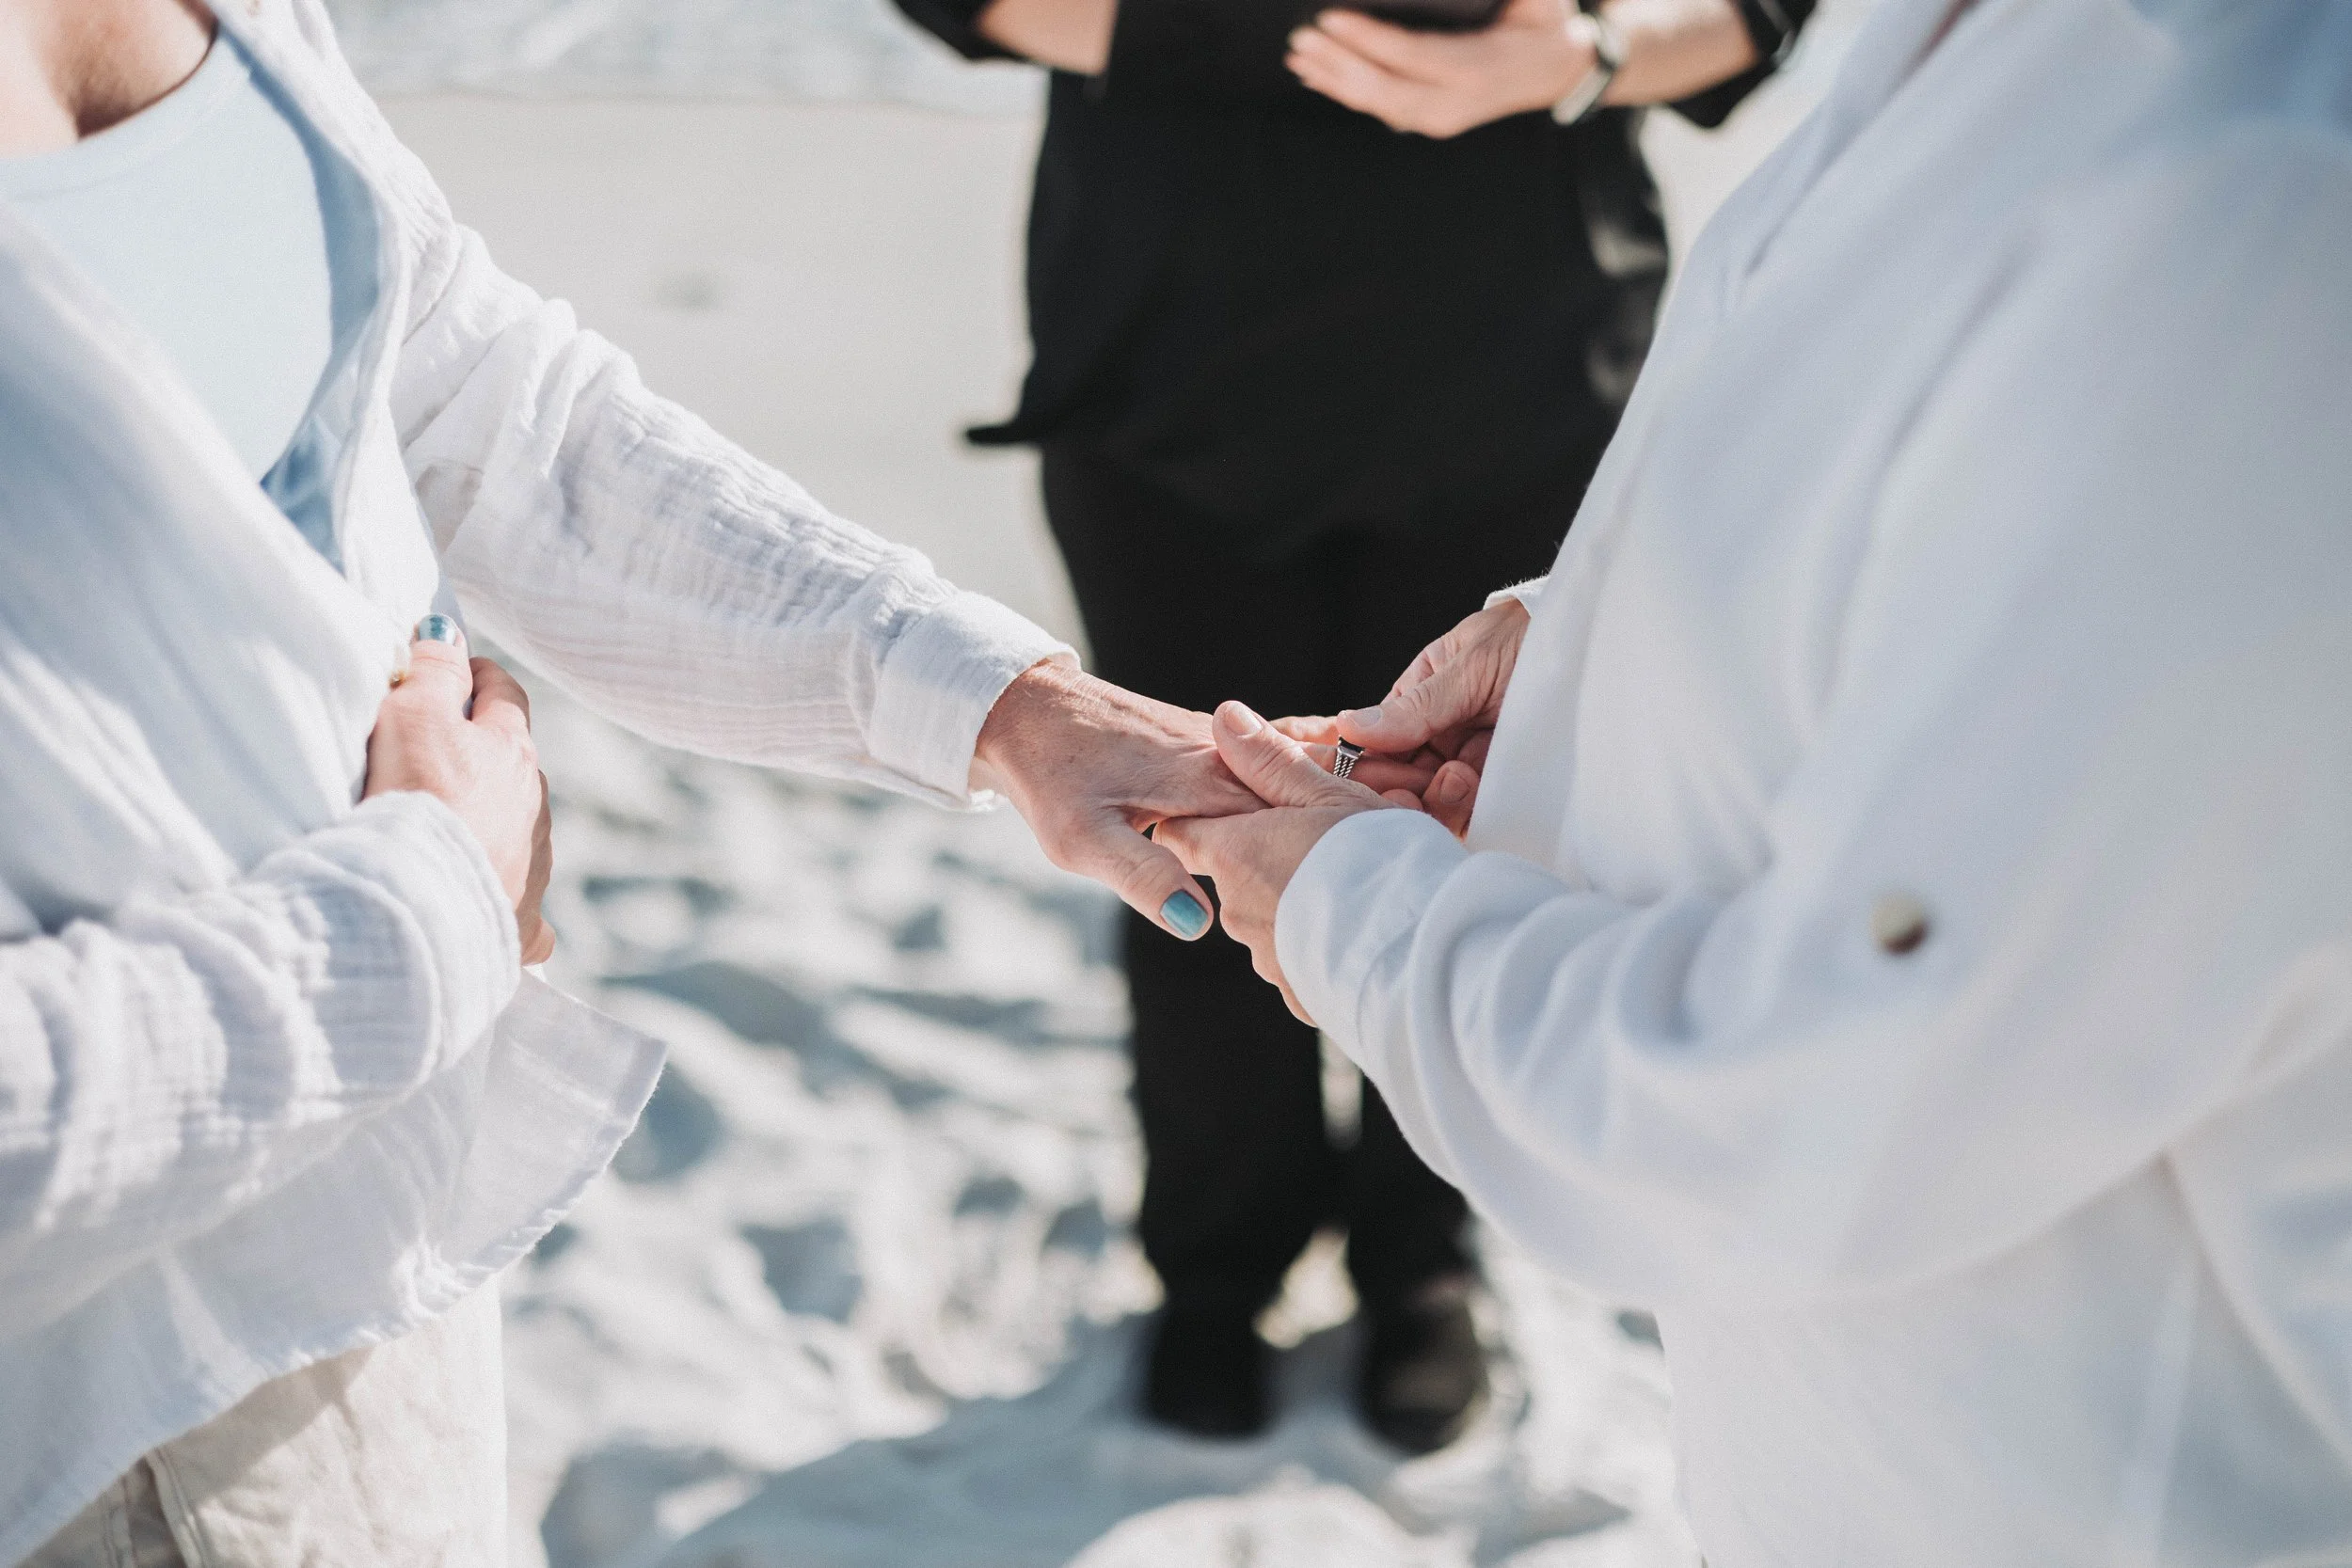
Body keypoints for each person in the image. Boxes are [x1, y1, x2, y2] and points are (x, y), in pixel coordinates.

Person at [0, 0, 1263, 1560]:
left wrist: (1002, 705)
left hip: (384, 1228)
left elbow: (468, 391)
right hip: (92, 1407)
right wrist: (425, 909)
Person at [1161, 0, 2352, 1560]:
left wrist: (1348, 909)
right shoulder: (1972, 39)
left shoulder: (2255, 186)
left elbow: (1819, 1109)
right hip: (1827, 1455)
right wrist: (1585, 654)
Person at [890, 0, 1812, 1448]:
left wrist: (1580, 54)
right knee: (1185, 826)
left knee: (1469, 815)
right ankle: (1217, 1262)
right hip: (1164, 370)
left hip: (1524, 357)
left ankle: (1420, 1253)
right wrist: (1265, 37)